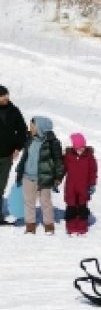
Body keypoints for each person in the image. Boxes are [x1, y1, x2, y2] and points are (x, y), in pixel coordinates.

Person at [15, 116, 64, 234]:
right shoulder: (30, 139)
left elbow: (58, 161)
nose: (30, 128)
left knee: (45, 202)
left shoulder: (53, 142)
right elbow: (24, 156)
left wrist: (58, 177)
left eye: (33, 126)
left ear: (40, 127)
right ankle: (30, 226)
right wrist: (20, 171)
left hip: (45, 177)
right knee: (28, 201)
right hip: (28, 176)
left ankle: (49, 226)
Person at [0, 86, 28, 224]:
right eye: (3, 96)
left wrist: (18, 147)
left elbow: (23, 130)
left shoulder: (14, 111)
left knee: (0, 186)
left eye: (7, 95)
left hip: (6, 157)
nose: (6, 97)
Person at [62, 132, 98, 236]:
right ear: (73, 147)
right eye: (78, 148)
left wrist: (92, 184)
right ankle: (71, 227)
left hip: (83, 187)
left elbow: (93, 172)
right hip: (71, 187)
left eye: (82, 147)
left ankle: (82, 227)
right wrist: (57, 180)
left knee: (82, 208)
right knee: (71, 208)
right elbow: (62, 169)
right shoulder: (68, 156)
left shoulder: (89, 157)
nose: (80, 150)